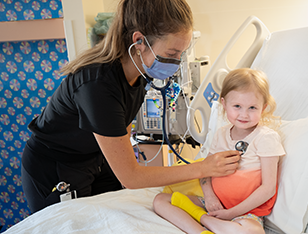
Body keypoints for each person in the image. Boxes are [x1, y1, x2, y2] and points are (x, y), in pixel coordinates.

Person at [21, 0, 240, 214]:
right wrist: (202, 168)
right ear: (139, 42)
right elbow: (131, 177)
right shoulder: (97, 85)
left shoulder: (138, 75)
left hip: (95, 159)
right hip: (56, 167)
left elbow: (121, 133)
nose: (176, 62)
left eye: (181, 53)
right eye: (172, 54)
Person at [153, 68, 286, 234]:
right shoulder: (221, 134)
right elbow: (205, 171)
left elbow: (268, 189)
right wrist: (209, 198)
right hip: (213, 204)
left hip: (245, 213)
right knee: (160, 200)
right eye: (237, 106)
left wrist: (230, 213)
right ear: (224, 103)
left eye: (252, 107)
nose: (244, 114)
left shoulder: (266, 138)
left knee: (252, 232)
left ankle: (204, 220)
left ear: (263, 107)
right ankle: (202, 229)